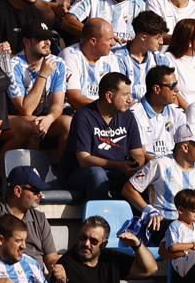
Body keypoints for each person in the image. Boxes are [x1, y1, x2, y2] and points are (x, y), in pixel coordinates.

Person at [60, 72, 145, 200]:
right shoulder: (84, 116)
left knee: (146, 174)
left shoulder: (128, 116)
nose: (130, 100)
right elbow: (84, 160)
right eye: (125, 95)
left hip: (118, 171)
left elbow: (137, 152)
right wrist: (119, 165)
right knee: (97, 173)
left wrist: (136, 164)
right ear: (109, 96)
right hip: (85, 173)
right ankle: (100, 217)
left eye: (130, 95)